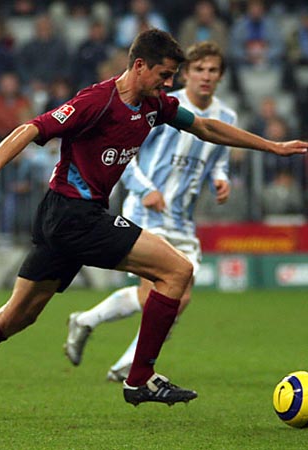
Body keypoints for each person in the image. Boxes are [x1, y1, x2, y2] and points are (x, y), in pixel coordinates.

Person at [0, 29, 308, 421]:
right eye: (164, 75)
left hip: (68, 217)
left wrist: (273, 146)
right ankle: (140, 378)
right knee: (177, 271)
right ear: (139, 65)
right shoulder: (97, 101)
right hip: (73, 215)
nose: (169, 84)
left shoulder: (154, 105)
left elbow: (205, 127)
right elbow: (30, 128)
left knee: (17, 316)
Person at [62, 40, 236, 382]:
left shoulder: (226, 117)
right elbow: (125, 155)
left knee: (179, 299)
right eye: (199, 69)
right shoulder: (163, 105)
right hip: (148, 212)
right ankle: (127, 362)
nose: (205, 76)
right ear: (185, 73)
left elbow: (219, 158)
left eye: (213, 70)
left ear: (221, 76)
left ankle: (92, 326)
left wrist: (221, 178)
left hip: (182, 219)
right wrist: (146, 190)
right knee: (156, 292)